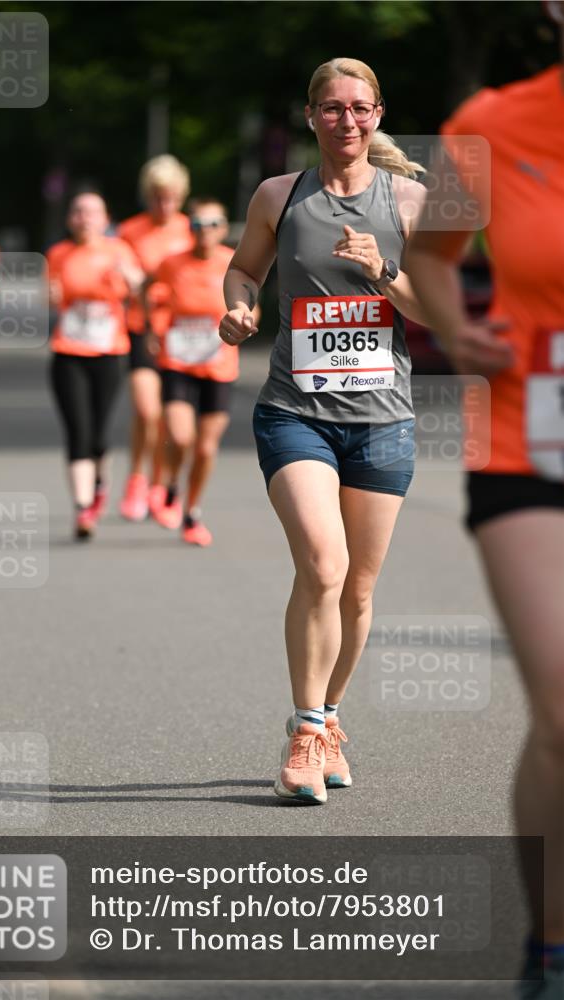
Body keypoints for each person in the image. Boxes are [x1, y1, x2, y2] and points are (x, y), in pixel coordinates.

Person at [219, 57, 428, 805]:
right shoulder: (280, 195)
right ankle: (306, 733)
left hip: (381, 422)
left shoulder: (407, 201)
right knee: (323, 565)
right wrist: (239, 307)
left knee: (359, 593)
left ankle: (330, 716)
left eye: (359, 108)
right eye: (331, 108)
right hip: (294, 412)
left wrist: (383, 272)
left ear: (376, 115)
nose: (346, 120)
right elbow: (243, 270)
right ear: (309, 116)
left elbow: (434, 313)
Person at [406, 7, 564, 993]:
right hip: (531, 442)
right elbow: (428, 256)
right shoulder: (492, 125)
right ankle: (550, 944)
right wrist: (452, 333)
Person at [47, 192, 144, 539]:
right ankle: (82, 509)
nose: (83, 218)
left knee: (99, 434)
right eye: (77, 211)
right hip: (68, 352)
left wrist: (132, 279)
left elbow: (139, 288)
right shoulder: (59, 254)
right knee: (78, 430)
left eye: (91, 212)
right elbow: (51, 295)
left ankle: (99, 483)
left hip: (108, 353)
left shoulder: (118, 250)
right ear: (69, 219)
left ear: (104, 219)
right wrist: (52, 296)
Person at [148, 197, 237, 546]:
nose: (205, 232)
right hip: (178, 362)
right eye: (198, 225)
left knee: (205, 448)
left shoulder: (232, 262)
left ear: (224, 229)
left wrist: (247, 319)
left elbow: (250, 303)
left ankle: (192, 511)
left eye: (213, 224)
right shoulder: (172, 263)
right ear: (189, 229)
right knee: (181, 436)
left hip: (219, 364)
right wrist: (154, 330)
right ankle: (170, 483)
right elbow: (147, 291)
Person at [116, 155, 194, 522]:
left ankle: (160, 486)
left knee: (169, 418)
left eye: (171, 197)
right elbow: (117, 269)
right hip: (140, 325)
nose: (164, 205)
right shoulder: (130, 231)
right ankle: (136, 478)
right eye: (157, 197)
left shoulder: (189, 229)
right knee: (146, 409)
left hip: (179, 332)